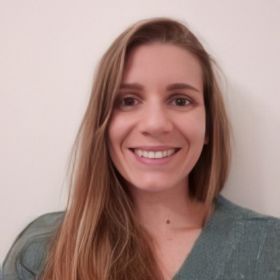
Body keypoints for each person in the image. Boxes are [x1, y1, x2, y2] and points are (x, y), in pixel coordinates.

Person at [3, 17, 280, 280]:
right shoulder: (41, 252)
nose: (156, 124)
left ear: (208, 126)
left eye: (181, 101)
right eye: (128, 101)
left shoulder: (271, 248)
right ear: (103, 122)